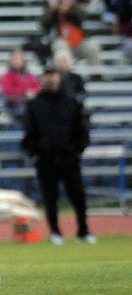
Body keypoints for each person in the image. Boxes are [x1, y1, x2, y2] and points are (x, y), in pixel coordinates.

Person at [21, 67, 96, 245]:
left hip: (69, 158)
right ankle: (55, 232)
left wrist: (78, 150)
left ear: (59, 79)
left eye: (53, 77)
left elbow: (81, 129)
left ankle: (83, 231)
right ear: (43, 80)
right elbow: (29, 132)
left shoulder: (71, 103)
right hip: (46, 160)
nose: (51, 80)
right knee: (50, 197)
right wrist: (34, 152)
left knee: (78, 195)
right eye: (47, 77)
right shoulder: (35, 104)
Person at [40, 0, 101, 67]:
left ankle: (96, 76)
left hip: (77, 42)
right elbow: (43, 24)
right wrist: (54, 9)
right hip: (61, 41)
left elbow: (82, 17)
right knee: (61, 47)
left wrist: (70, 8)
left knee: (93, 47)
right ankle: (66, 76)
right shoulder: (52, 11)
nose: (63, 2)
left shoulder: (74, 8)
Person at [0, 49, 42, 120]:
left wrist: (33, 92)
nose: (18, 61)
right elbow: (8, 92)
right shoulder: (6, 77)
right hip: (14, 106)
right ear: (11, 61)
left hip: (30, 105)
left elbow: (38, 87)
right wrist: (25, 92)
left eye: (20, 59)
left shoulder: (30, 75)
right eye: (15, 59)